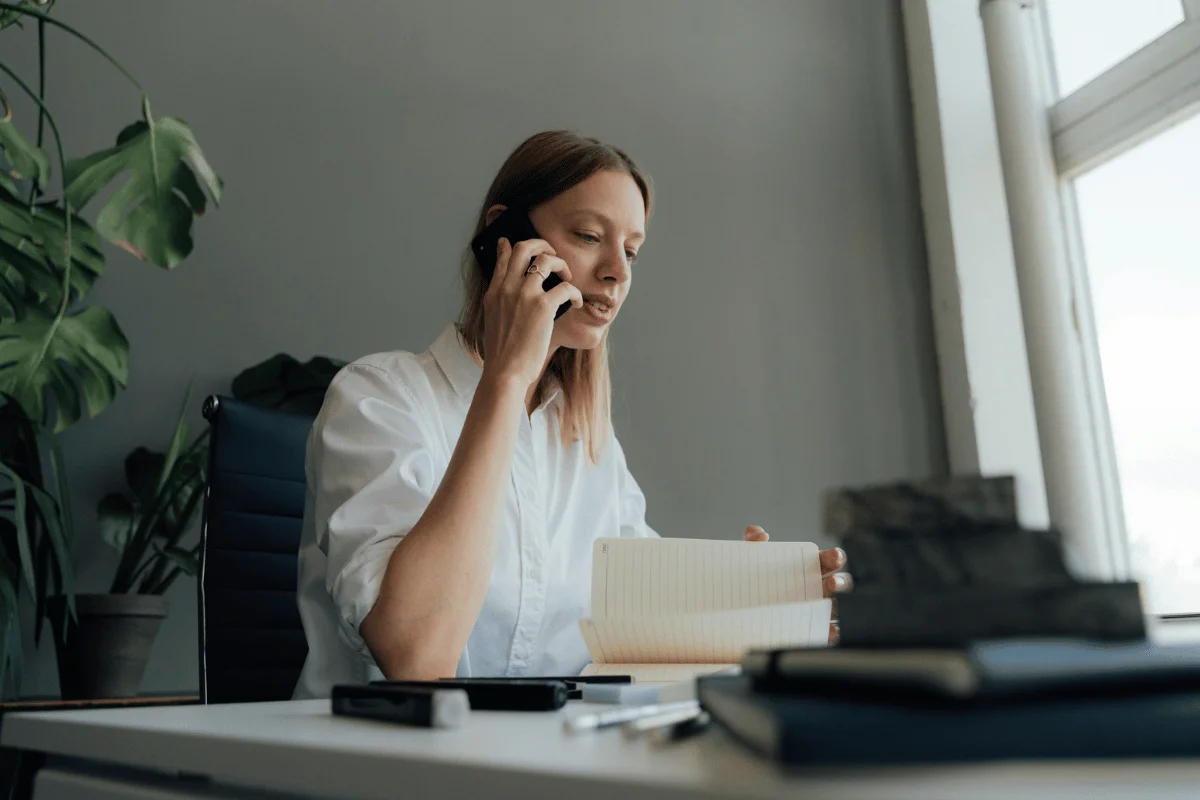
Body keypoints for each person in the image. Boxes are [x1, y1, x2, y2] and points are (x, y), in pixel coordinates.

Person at [292, 130, 850, 699]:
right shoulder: (377, 398)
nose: (617, 272)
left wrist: (761, 603)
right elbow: (417, 657)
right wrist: (507, 378)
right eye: (588, 236)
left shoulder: (585, 440)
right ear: (502, 237)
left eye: (631, 251)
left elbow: (639, 625)